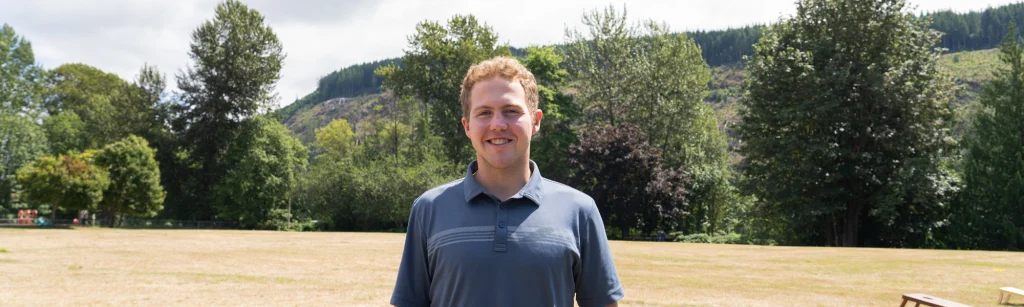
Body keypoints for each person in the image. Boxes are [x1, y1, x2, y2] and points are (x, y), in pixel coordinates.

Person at [390, 56, 624, 307]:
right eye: (484, 113)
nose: (497, 124)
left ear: (536, 121)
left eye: (511, 111)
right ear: (467, 126)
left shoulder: (580, 211)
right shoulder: (429, 208)